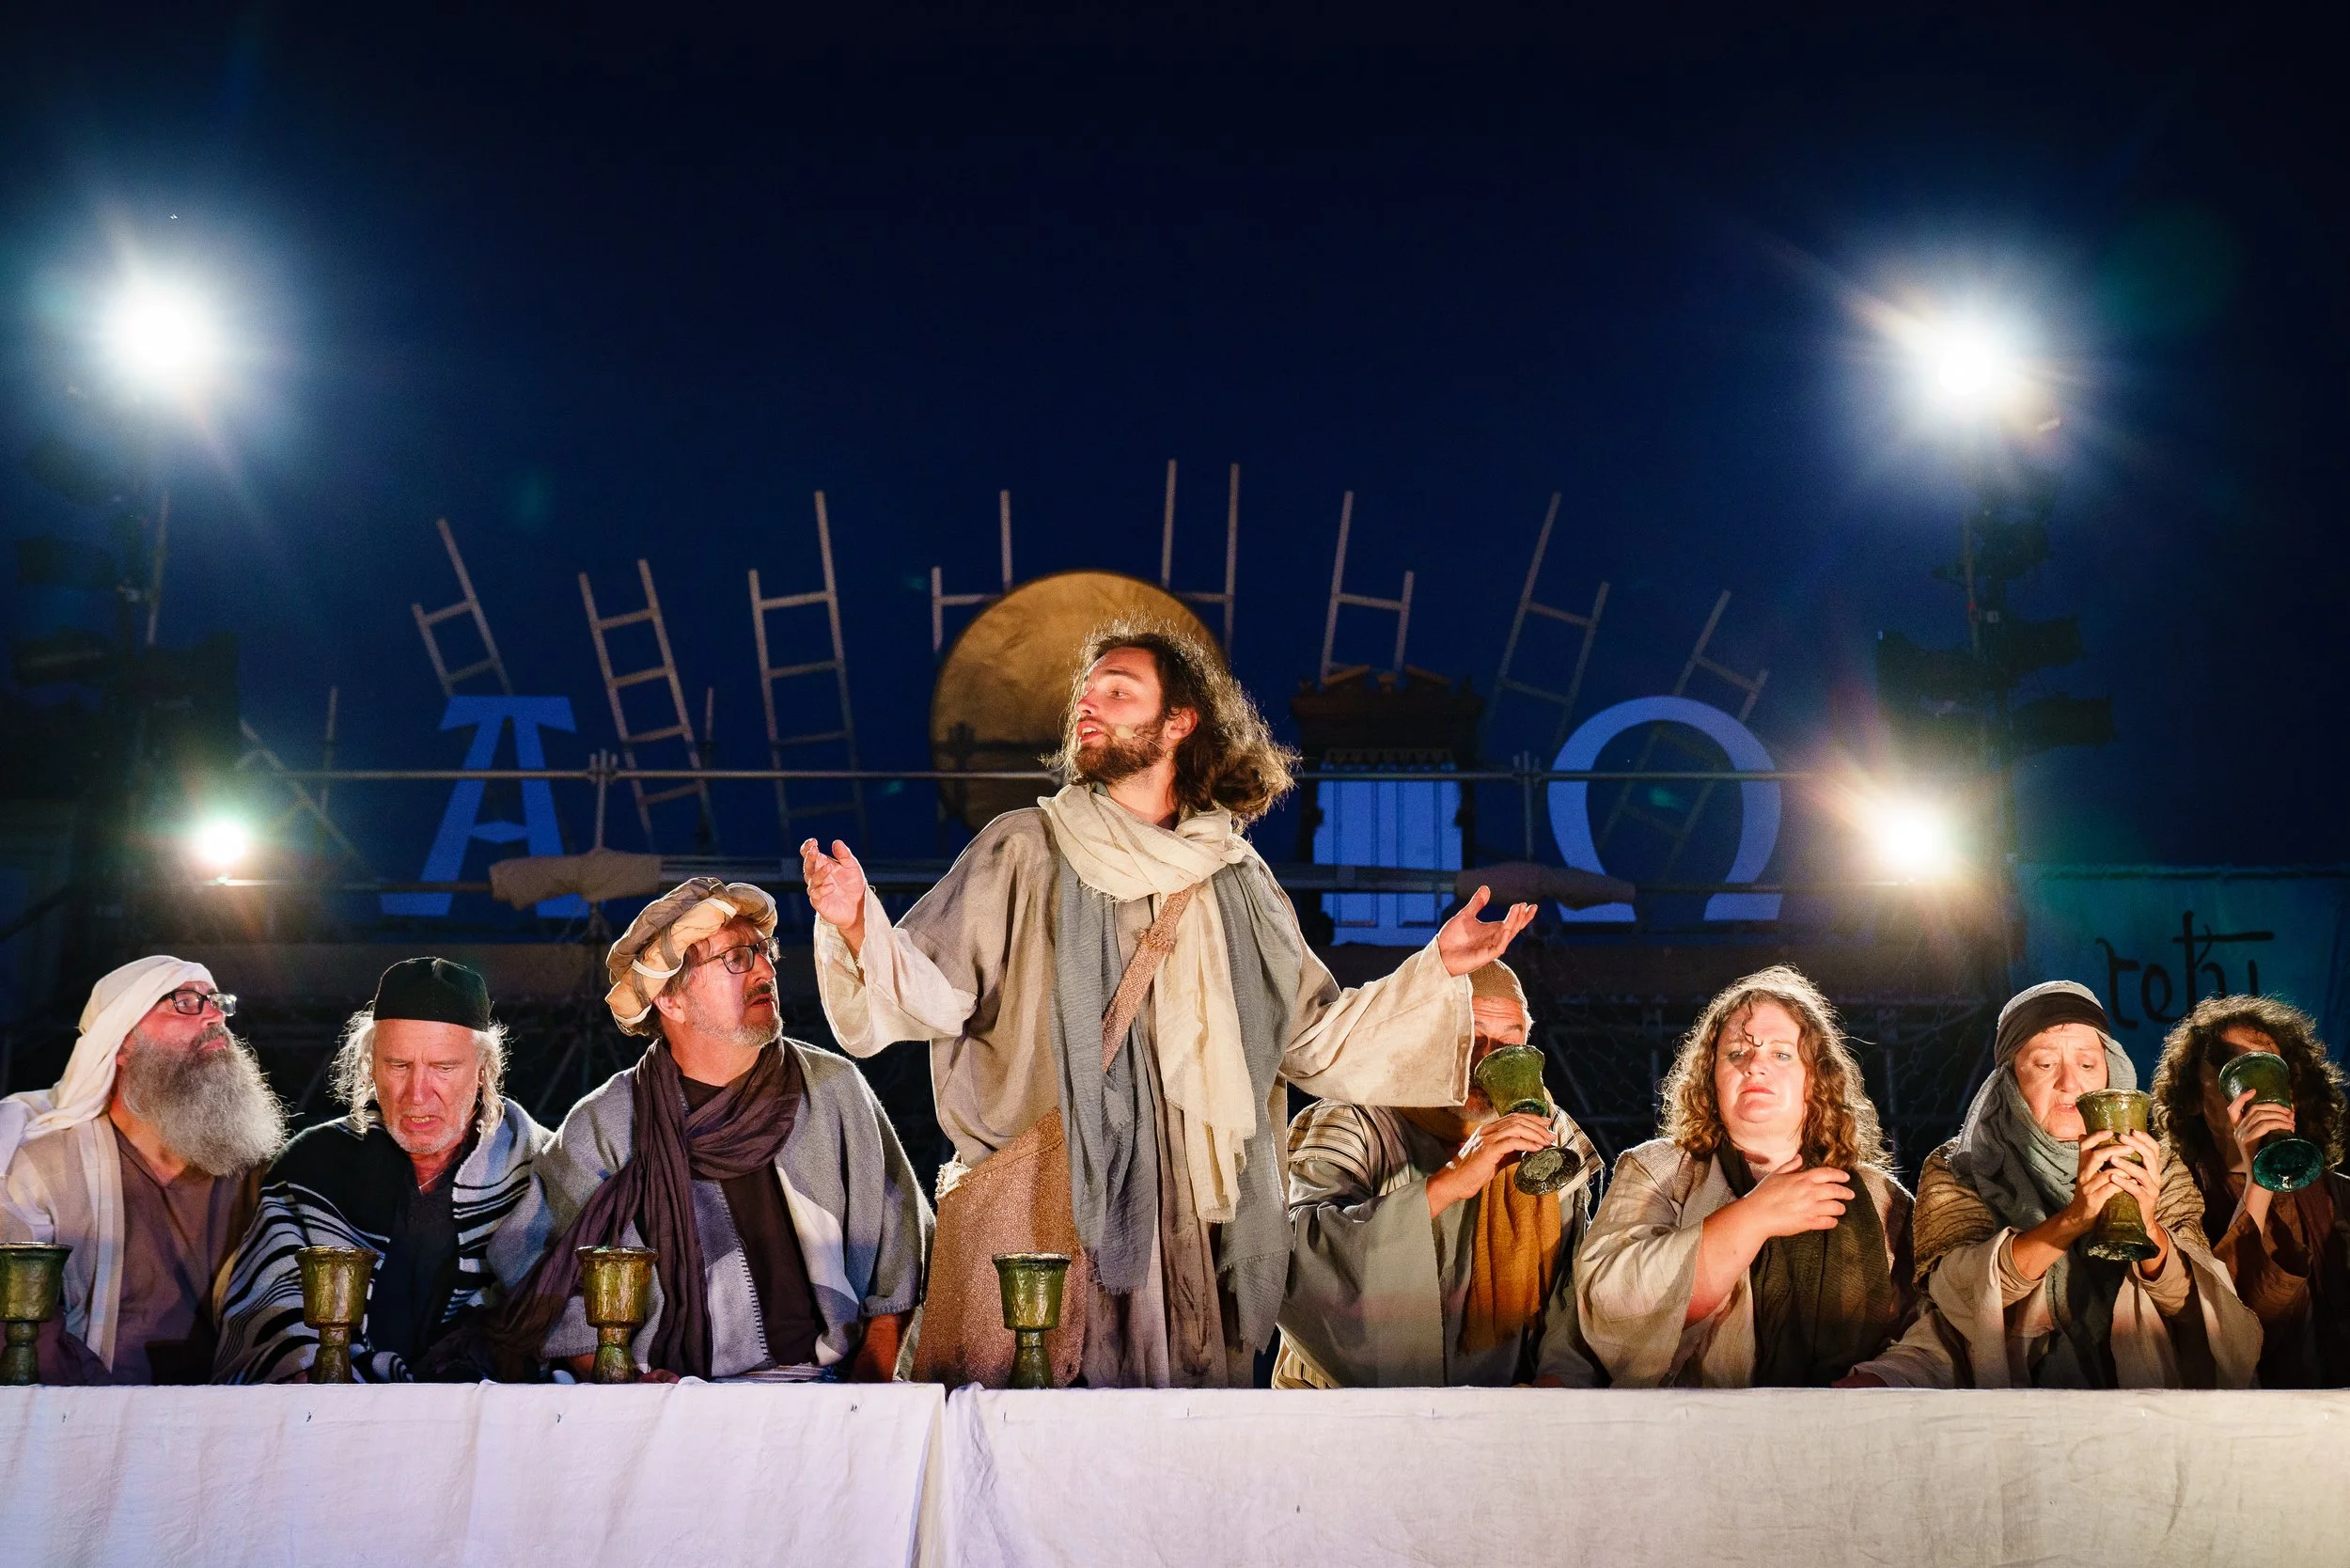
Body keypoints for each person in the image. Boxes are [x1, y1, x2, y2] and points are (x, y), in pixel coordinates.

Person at [803, 621, 1536, 1388]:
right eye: (1086, 693)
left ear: (1181, 721)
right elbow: (932, 989)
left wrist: (1435, 966)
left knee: (1178, 1440)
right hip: (1053, 1211)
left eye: (1119, 692)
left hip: (1191, 1230)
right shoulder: (1025, 848)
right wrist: (858, 926)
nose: (1088, 705)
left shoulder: (1237, 879)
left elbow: (1313, 1038)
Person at [493, 878, 929, 1381]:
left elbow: (901, 1257)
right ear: (670, 1000)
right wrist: (625, 1383)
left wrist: (867, 1390)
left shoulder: (832, 1089)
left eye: (764, 951)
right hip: (675, 1400)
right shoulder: (606, 1124)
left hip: (831, 1386)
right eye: (736, 958)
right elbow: (539, 1273)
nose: (766, 971)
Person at [1575, 965, 1935, 1388]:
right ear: (1711, 1077)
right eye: (1736, 1054)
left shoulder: (1880, 1197)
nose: (1755, 1066)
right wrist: (1753, 1217)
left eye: (1781, 1054)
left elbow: (1933, 1329)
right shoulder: (1658, 1171)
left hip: (1845, 1421)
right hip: (1691, 1419)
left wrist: (1879, 1379)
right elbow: (1608, 1303)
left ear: (1815, 1078)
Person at [1909, 980, 2259, 1388]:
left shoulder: (2155, 1162)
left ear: (2111, 1072)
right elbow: (1957, 1294)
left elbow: (2198, 1309)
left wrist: (2148, 1230)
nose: (2070, 1084)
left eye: (2088, 1065)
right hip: (2012, 1394)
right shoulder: (1961, 1166)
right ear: (2010, 1078)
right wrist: (2074, 1218)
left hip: (2137, 1392)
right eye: (2045, 1064)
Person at [1271, 961, 1604, 1388]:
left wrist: (1557, 1382)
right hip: (1348, 1407)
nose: (1487, 1060)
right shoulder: (1354, 1118)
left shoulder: (1547, 1135)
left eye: (1507, 1043)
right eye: (1471, 1037)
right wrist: (1450, 1181)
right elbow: (1295, 1260)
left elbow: (1572, 1285)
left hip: (1503, 1409)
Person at [213, 958, 547, 1382]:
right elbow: (268, 1315)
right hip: (335, 1410)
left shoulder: (537, 1167)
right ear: (370, 1065)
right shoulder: (313, 1165)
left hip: (491, 1410)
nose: (417, 1094)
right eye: (398, 1065)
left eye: (443, 1067)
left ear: (483, 1070)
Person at [0, 957, 285, 1384]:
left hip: (237, 1410)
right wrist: (107, 1406)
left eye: (215, 1001)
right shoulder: (47, 1165)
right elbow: (20, 1329)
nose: (214, 1017)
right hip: (91, 1409)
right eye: (184, 1002)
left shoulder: (255, 1169)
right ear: (120, 1045)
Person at [2151, 994, 2350, 1387]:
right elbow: (2227, 1324)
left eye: (2270, 1069)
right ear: (2194, 1097)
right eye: (2235, 1068)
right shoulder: (2176, 1200)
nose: (2256, 1088)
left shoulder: (2337, 1197)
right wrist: (2259, 1177)